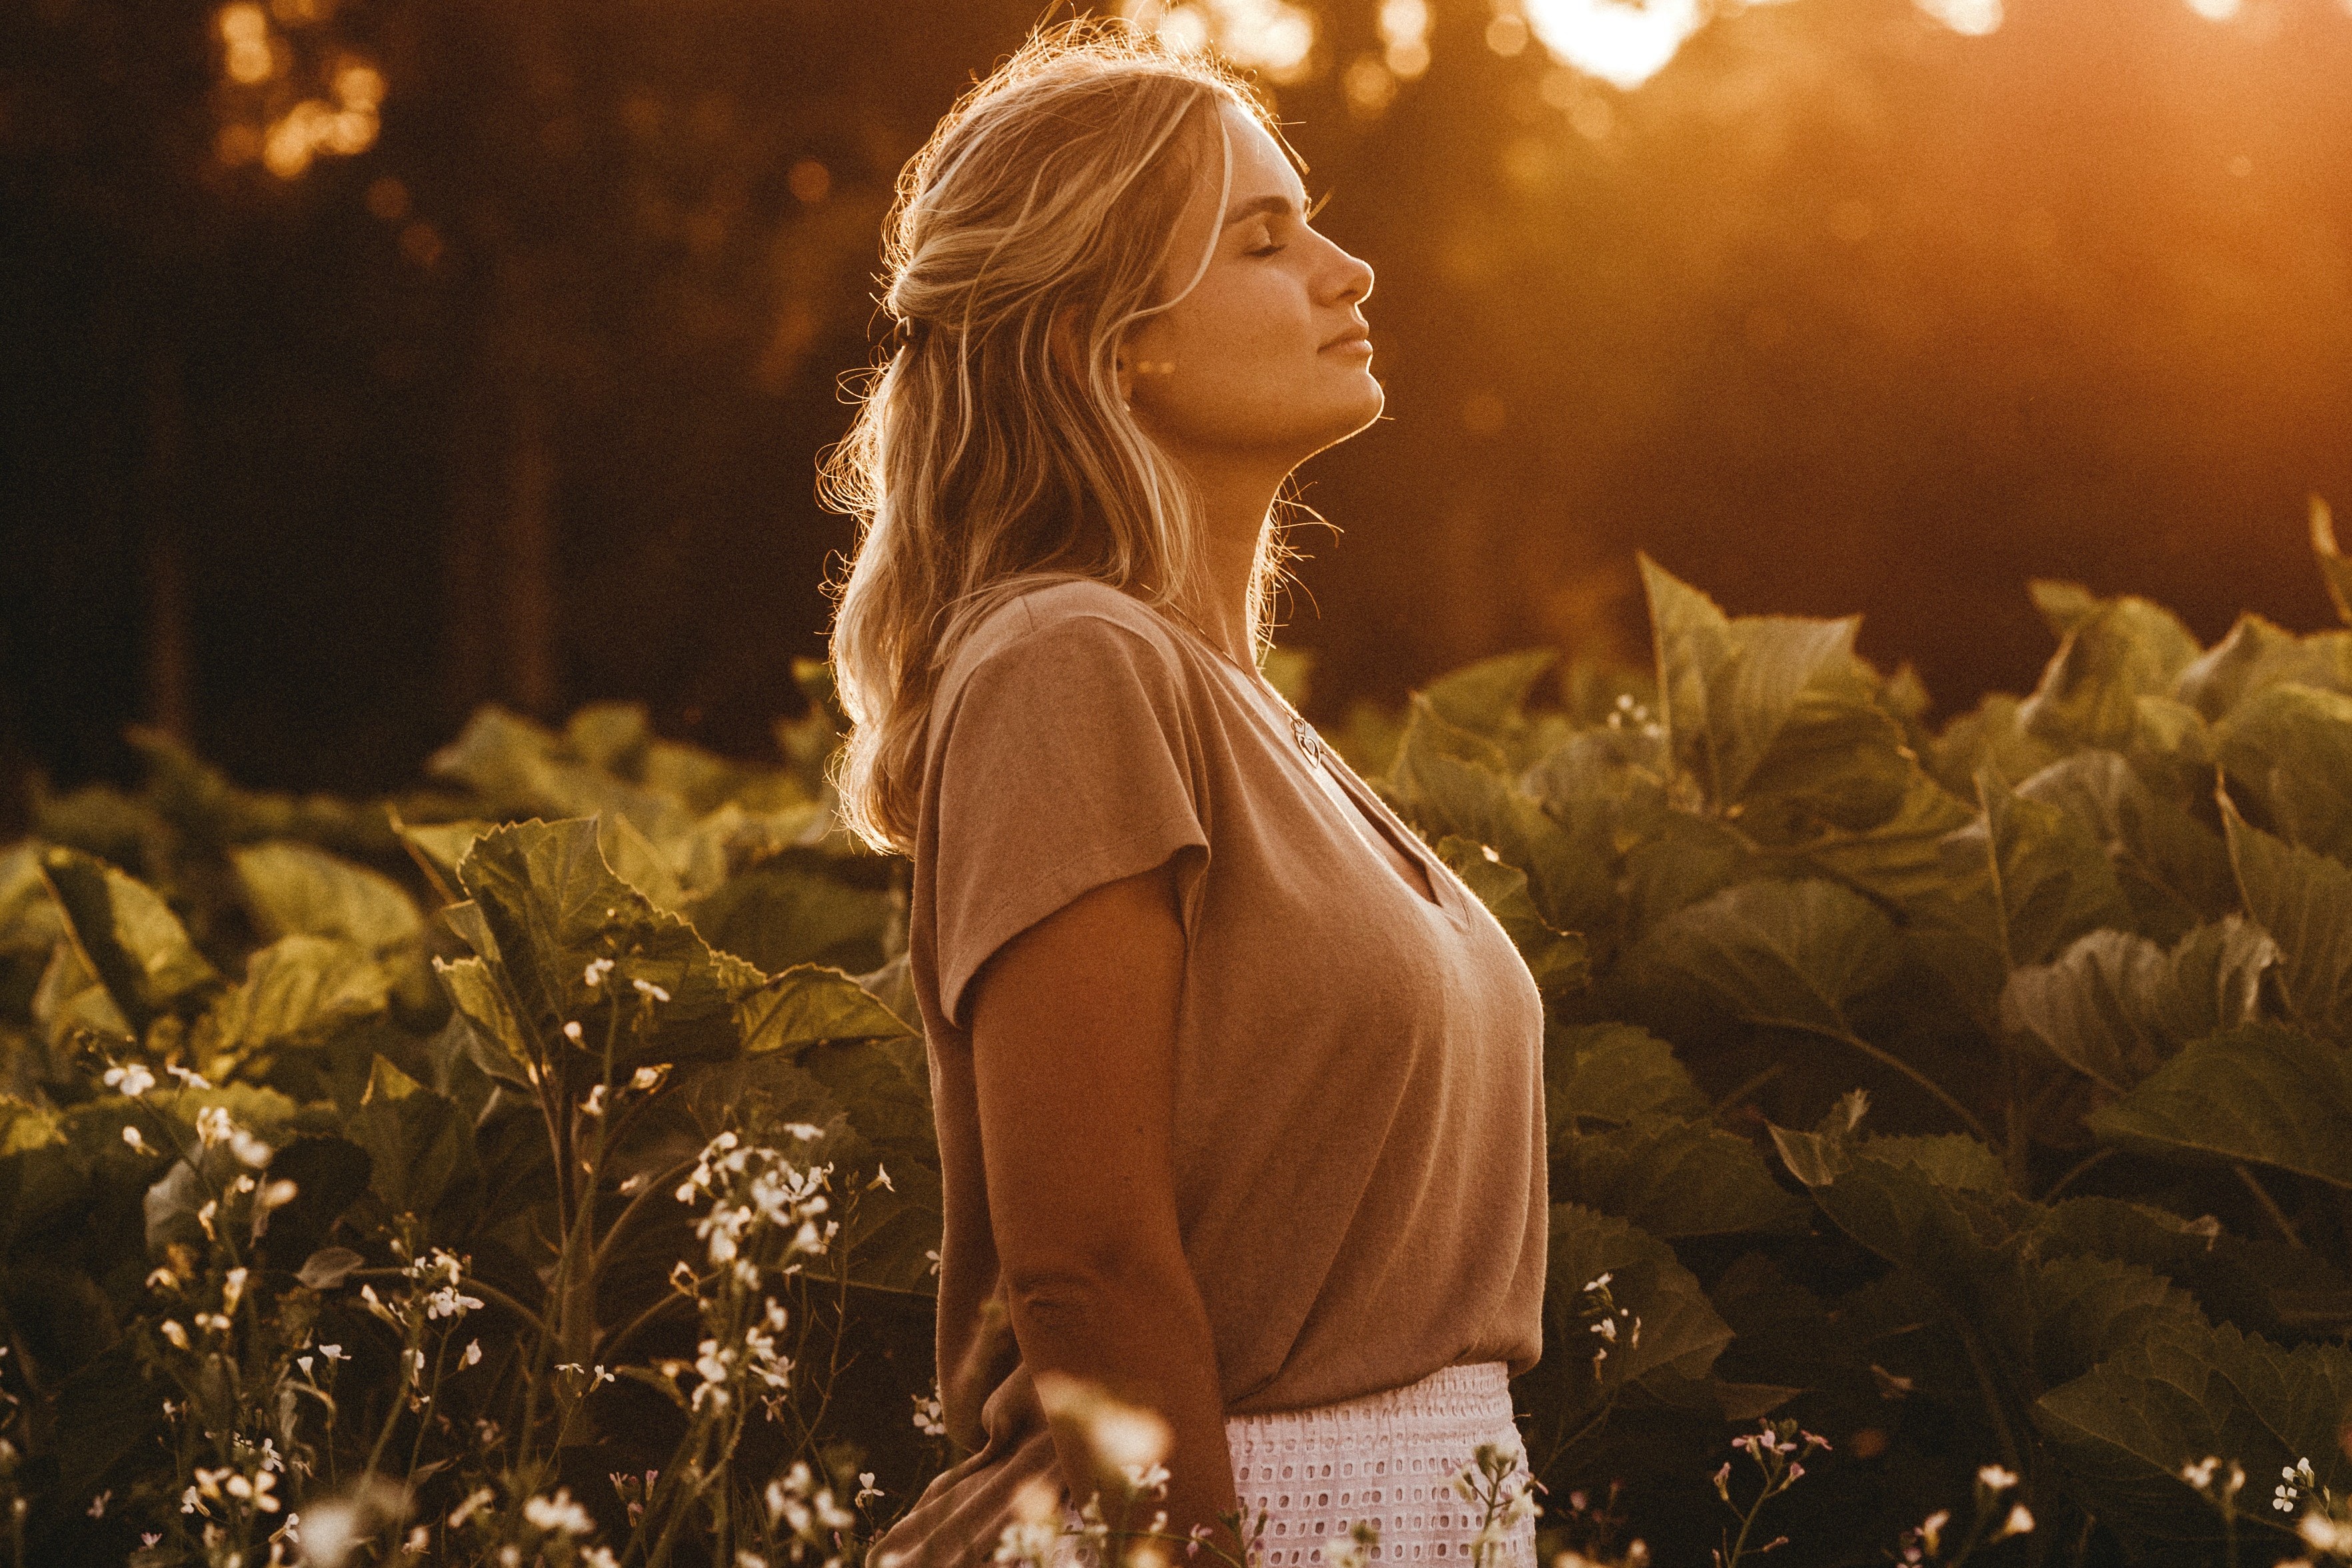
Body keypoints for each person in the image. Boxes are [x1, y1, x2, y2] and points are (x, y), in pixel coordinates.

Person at [822, 19, 1547, 1567]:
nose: (1347, 273)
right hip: (1221, 1523)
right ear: (1112, 332)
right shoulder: (1064, 662)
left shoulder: (1236, 710)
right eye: (1265, 240)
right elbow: (1085, 1264)